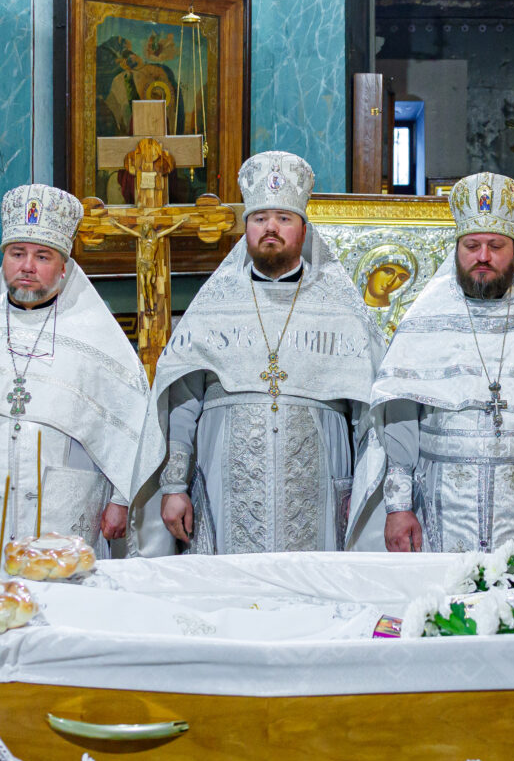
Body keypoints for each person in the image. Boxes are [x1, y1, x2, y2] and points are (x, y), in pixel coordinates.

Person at [0, 184, 153, 584]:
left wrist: (121, 501)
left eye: (43, 256)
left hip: (67, 507)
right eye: (17, 254)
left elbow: (130, 426)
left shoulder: (97, 338)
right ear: (4, 259)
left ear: (64, 266)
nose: (28, 266)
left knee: (64, 608)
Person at [350, 172, 514, 553]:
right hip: (443, 511)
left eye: (495, 245)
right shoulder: (424, 321)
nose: (483, 256)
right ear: (457, 249)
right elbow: (399, 419)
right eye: (472, 245)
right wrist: (399, 506)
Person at [147, 152, 382, 554]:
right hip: (222, 491)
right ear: (247, 229)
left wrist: (362, 494)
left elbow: (370, 416)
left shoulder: (343, 312)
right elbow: (182, 402)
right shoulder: (212, 307)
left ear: (304, 230)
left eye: (284, 218)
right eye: (259, 218)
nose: (270, 227)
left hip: (320, 493)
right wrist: (173, 486)